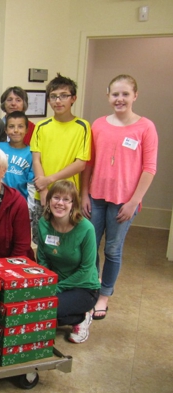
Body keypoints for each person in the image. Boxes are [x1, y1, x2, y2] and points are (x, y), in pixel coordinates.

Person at [81, 74, 158, 320]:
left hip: (124, 202)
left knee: (113, 250)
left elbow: (149, 168)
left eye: (125, 94)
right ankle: (91, 289)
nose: (120, 99)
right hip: (96, 198)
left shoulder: (146, 127)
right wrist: (84, 194)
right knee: (90, 248)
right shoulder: (98, 125)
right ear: (108, 96)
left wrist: (134, 202)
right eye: (115, 94)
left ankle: (104, 295)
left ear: (135, 96)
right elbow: (88, 164)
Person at [30, 73, 91, 243]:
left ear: (73, 98)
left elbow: (80, 164)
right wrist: (43, 190)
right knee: (41, 241)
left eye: (64, 96)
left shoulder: (82, 127)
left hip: (68, 197)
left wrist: (49, 180)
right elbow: (36, 160)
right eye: (53, 97)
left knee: (65, 242)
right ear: (48, 100)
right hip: (42, 194)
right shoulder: (41, 126)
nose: (58, 101)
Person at [37, 181, 100, 344]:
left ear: (73, 205)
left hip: (83, 287)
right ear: (49, 200)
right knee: (34, 306)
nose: (60, 203)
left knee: (49, 309)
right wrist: (47, 283)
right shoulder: (43, 223)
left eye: (66, 199)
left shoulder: (86, 229)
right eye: (56, 198)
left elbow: (86, 269)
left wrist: (57, 288)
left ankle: (82, 316)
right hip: (56, 283)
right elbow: (42, 258)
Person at [0, 111, 34, 202]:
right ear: (6, 130)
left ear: (27, 130)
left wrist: (29, 209)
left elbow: (31, 185)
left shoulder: (31, 153)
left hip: (20, 202)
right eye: (11, 126)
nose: (16, 130)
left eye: (20, 126)